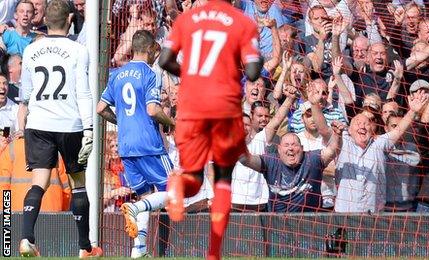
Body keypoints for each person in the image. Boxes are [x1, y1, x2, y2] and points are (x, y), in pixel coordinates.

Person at [158, 0, 263, 258]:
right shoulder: (243, 22)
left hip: (191, 107)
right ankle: (213, 254)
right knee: (223, 177)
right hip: (224, 107)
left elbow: (164, 59)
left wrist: (189, 75)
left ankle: (177, 185)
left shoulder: (186, 19)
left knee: (193, 179)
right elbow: (252, 71)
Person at [17, 0, 103, 257]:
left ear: (45, 21)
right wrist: (89, 128)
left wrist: (23, 124)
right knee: (78, 183)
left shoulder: (32, 50)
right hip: (70, 124)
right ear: (69, 20)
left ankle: (26, 238)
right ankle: (84, 248)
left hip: (38, 124)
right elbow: (84, 92)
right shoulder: (78, 50)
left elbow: (25, 95)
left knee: (38, 182)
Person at [96, 30, 176, 258]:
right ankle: (134, 208)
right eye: (155, 50)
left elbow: (101, 109)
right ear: (150, 49)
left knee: (145, 195)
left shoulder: (116, 75)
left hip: (126, 146)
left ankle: (138, 249)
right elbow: (153, 110)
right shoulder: (151, 74)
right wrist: (173, 123)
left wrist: (120, 120)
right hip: (148, 144)